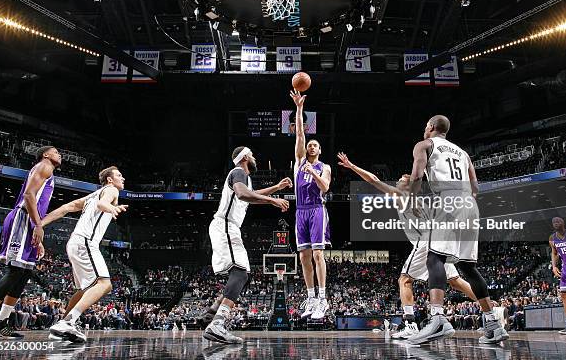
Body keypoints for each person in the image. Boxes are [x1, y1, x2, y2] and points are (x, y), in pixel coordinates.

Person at [336, 152, 478, 339]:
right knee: (455, 281)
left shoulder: (402, 194)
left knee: (404, 279)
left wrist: (352, 166)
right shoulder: (420, 199)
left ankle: (410, 324)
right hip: (440, 240)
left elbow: (373, 180)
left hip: (426, 242)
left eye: (402, 179)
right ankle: (490, 308)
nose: (398, 181)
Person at [404, 115, 508, 345]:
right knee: (466, 266)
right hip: (469, 205)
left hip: (448, 200)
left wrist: (412, 201)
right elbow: (475, 187)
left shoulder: (425, 145)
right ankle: (492, 323)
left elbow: (417, 175)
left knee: (435, 258)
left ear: (430, 127)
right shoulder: (463, 153)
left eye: (425, 125)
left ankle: (438, 318)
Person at [203, 146, 291, 344]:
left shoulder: (242, 177)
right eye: (252, 155)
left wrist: (275, 189)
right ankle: (217, 325)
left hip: (227, 228)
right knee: (241, 273)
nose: (255, 158)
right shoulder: (238, 172)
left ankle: (210, 316)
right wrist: (272, 200)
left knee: (241, 275)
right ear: (244, 158)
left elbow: (250, 194)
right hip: (226, 226)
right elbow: (243, 194)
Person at [40, 166, 128, 342]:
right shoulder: (111, 190)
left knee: (84, 289)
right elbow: (102, 204)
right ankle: (69, 322)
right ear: (109, 180)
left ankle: (63, 324)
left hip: (75, 242)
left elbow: (67, 207)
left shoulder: (92, 196)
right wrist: (111, 208)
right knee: (105, 285)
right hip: (86, 242)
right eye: (119, 175)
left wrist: (40, 224)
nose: (123, 178)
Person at [0, 146, 60, 339]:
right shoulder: (44, 166)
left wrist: (38, 237)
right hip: (22, 219)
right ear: (46, 155)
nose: (59, 154)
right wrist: (38, 225)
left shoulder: (47, 170)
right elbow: (29, 195)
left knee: (24, 274)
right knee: (15, 271)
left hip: (29, 223)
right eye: (55, 151)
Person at [291, 90, 332, 320]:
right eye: (310, 144)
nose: (311, 146)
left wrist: (313, 174)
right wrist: (298, 109)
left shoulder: (323, 167)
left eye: (315, 145)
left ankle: (323, 299)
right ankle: (311, 297)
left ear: (319, 150)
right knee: (303, 257)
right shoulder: (299, 162)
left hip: (317, 209)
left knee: (318, 255)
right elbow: (299, 135)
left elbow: (325, 187)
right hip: (301, 212)